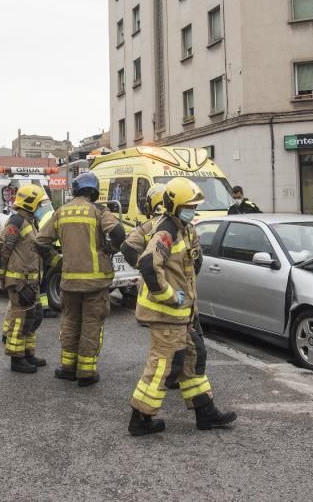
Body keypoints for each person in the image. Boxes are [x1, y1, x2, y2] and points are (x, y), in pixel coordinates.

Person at [127, 177, 236, 436]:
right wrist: (167, 294)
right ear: (174, 206)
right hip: (166, 314)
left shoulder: (184, 228)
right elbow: (146, 264)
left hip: (181, 316)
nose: (193, 210)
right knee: (163, 367)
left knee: (193, 357)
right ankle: (140, 418)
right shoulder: (166, 230)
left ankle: (205, 411)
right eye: (190, 206)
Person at [36, 171, 125, 386]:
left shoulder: (61, 212)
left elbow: (40, 242)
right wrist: (110, 249)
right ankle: (86, 373)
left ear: (75, 189)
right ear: (94, 191)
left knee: (70, 323)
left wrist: (57, 261)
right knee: (91, 325)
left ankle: (67, 367)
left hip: (69, 281)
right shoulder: (99, 211)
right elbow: (120, 233)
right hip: (96, 282)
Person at [0, 184, 50, 373]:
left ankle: (28, 353)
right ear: (30, 202)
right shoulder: (16, 222)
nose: (41, 206)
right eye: (39, 203)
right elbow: (2, 251)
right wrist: (4, 279)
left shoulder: (29, 222)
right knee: (20, 319)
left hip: (31, 281)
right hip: (19, 282)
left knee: (33, 317)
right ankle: (16, 359)